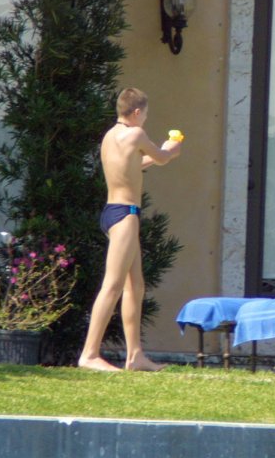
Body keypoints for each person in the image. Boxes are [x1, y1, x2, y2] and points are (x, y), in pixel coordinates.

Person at [78, 88, 182, 372]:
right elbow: (159, 157)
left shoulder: (111, 136)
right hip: (126, 215)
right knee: (112, 285)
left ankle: (135, 355)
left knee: (135, 285)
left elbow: (134, 165)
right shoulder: (135, 134)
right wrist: (170, 150)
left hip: (113, 212)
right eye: (146, 114)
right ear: (137, 112)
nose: (146, 119)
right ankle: (89, 354)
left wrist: (160, 155)